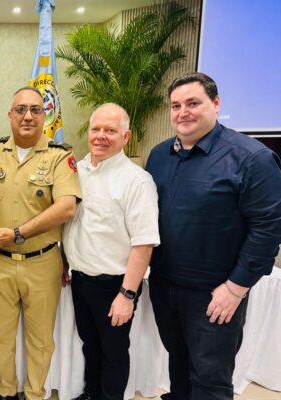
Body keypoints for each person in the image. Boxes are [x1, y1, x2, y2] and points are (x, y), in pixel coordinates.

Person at [145, 72, 281, 399]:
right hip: (164, 287)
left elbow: (269, 228)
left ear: (216, 103)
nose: (183, 112)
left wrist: (235, 289)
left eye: (193, 103)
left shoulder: (252, 158)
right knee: (178, 366)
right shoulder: (159, 155)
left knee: (210, 380)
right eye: (176, 105)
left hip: (215, 295)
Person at [0, 86, 81, 400]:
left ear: (44, 116)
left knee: (40, 340)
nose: (28, 116)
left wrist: (17, 233)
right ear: (10, 115)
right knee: (0, 336)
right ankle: (6, 391)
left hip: (42, 262)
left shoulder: (60, 156)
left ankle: (35, 394)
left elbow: (66, 207)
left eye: (36, 110)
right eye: (21, 109)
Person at [62, 103, 160, 400]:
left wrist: (127, 295)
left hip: (115, 285)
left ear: (125, 137)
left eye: (110, 130)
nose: (101, 136)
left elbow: (144, 243)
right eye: (96, 129)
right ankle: (92, 394)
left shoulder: (137, 181)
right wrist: (64, 262)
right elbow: (70, 225)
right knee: (90, 346)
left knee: (113, 352)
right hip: (80, 280)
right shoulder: (76, 171)